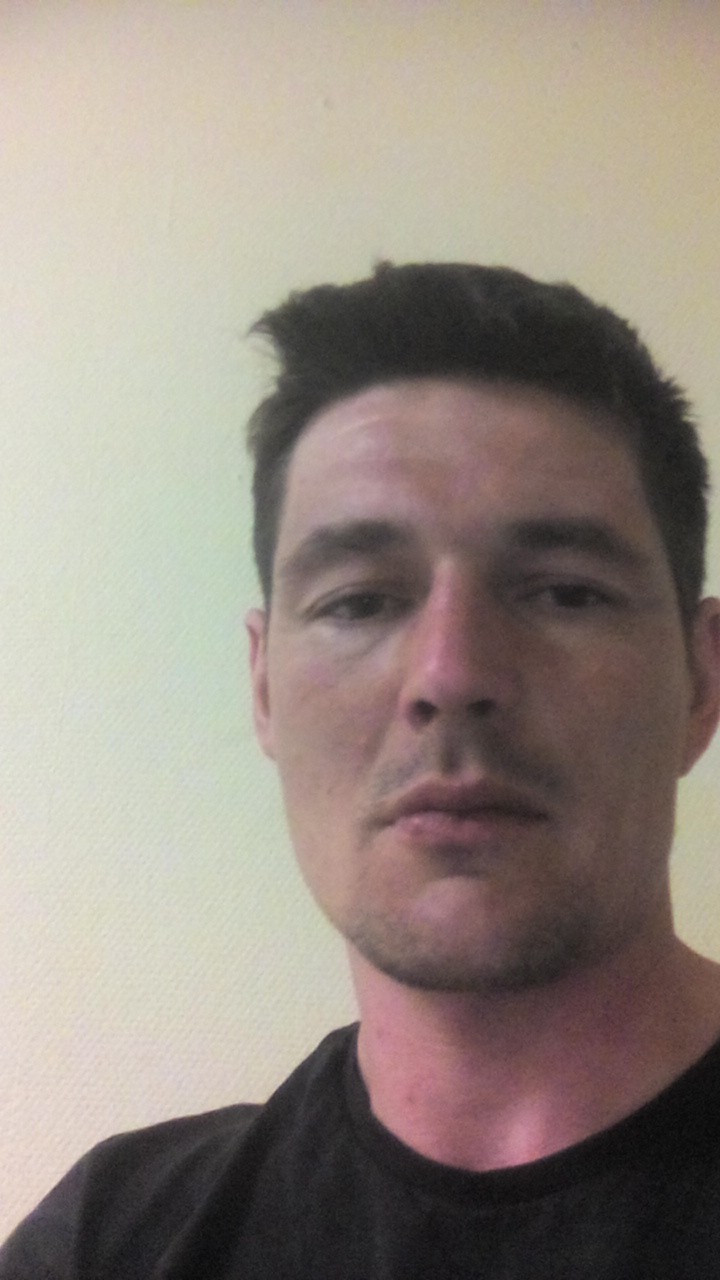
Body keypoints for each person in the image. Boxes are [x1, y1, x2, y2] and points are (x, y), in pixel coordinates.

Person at [2, 261, 720, 1278]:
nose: (451, 674)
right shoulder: (109, 1239)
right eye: (359, 602)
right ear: (262, 685)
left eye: (565, 592)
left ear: (702, 680)